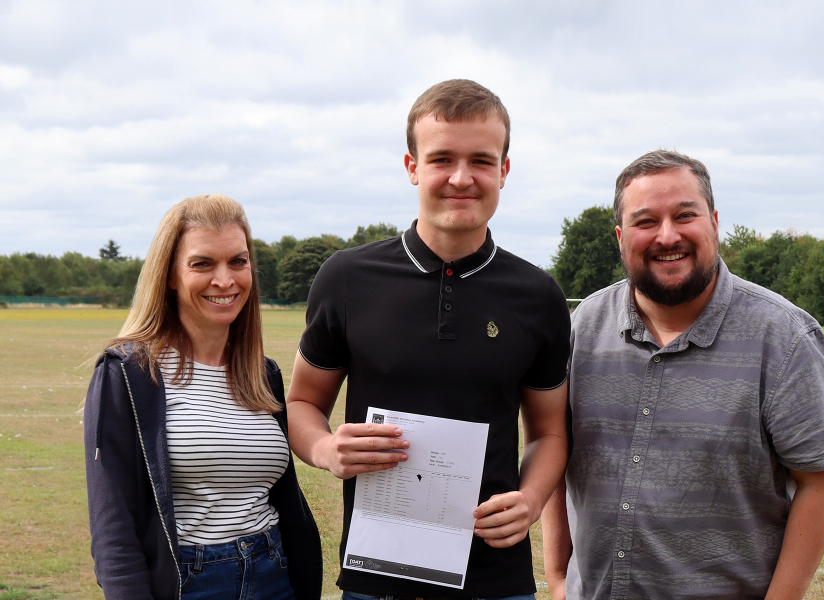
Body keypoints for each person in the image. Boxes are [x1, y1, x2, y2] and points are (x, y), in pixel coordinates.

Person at [285, 79, 572, 600]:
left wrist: (531, 500)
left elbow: (549, 432)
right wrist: (325, 448)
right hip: (375, 580)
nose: (461, 178)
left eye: (481, 160)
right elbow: (303, 403)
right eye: (442, 159)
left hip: (496, 583)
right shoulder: (347, 278)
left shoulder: (539, 296)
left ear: (504, 171)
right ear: (412, 166)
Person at [541, 150, 824, 600]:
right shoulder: (582, 328)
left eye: (685, 215)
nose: (667, 235)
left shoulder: (785, 338)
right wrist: (557, 578)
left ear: (714, 223)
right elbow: (554, 450)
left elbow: (822, 484)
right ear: (621, 237)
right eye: (646, 221)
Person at [84, 194, 322, 600]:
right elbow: (113, 530)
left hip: (274, 575)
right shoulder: (127, 373)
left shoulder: (263, 374)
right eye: (202, 264)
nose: (225, 280)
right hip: (190, 583)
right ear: (170, 275)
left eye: (238, 261)